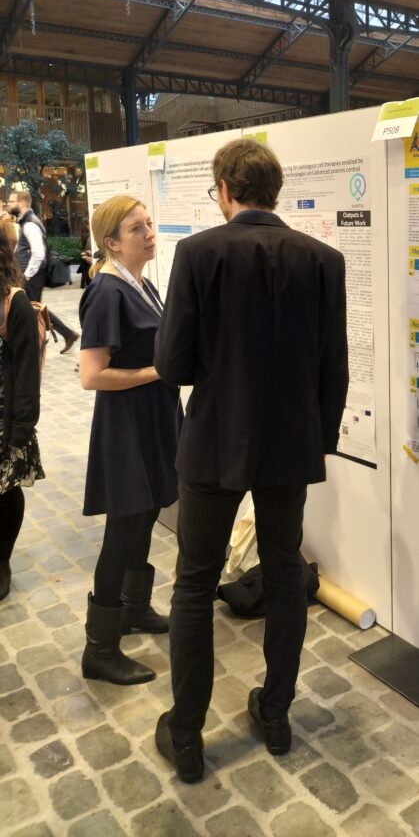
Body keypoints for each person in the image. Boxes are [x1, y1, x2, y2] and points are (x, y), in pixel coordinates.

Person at [153, 137, 349, 783]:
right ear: (274, 190)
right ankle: (276, 714)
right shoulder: (323, 260)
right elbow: (334, 367)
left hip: (214, 440)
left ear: (224, 190)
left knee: (193, 582)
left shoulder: (197, 253)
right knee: (285, 573)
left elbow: (172, 365)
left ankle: (186, 735)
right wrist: (316, 440)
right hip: (289, 445)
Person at [79, 195, 181, 685]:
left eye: (149, 224)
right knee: (123, 529)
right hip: (126, 425)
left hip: (152, 417)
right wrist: (156, 371)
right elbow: (91, 375)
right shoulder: (106, 292)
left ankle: (134, 608)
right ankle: (99, 649)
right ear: (112, 242)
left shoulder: (140, 283)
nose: (149, 233)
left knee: (145, 514)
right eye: (137, 228)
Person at [0, 230, 44, 600]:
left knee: (5, 491)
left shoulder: (14, 302)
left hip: (5, 417)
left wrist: (21, 429)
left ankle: (2, 559)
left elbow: (27, 372)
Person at [7, 191, 79, 354]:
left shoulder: (30, 224)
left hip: (32, 275)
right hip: (31, 274)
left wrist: (27, 275)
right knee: (34, 308)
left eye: (11, 201)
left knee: (31, 309)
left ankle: (39, 344)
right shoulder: (26, 222)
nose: (8, 204)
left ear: (22, 203)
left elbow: (38, 253)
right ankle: (67, 334)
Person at [78, 218, 93, 290]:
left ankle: (84, 285)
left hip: (84, 255)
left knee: (86, 273)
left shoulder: (83, 234)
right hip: (88, 256)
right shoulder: (90, 235)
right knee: (88, 273)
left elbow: (82, 246)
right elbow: (89, 247)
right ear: (87, 225)